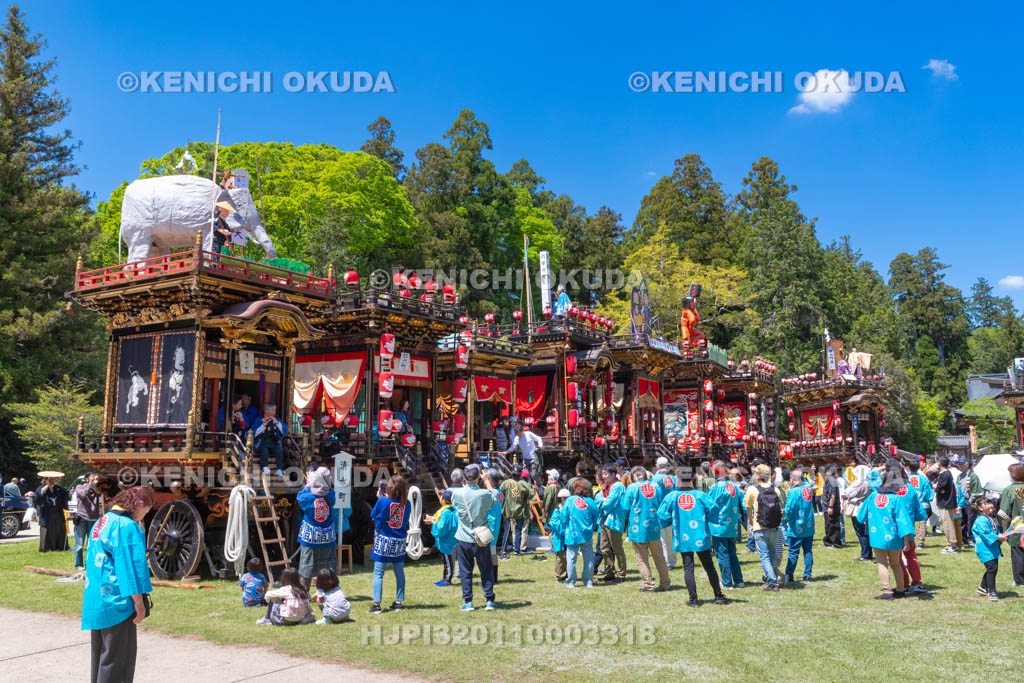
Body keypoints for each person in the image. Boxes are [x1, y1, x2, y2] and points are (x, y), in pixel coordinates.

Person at [81, 486, 154, 683]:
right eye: (144, 512)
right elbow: (130, 566)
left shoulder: (101, 521)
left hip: (96, 599)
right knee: (118, 662)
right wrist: (139, 601)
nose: (141, 517)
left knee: (101, 658)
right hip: (117, 601)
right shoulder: (126, 526)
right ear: (138, 504)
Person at [658, 474, 726, 607]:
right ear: (691, 481)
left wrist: (668, 522)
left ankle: (693, 600)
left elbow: (661, 514)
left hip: (683, 537)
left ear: (678, 480)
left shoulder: (672, 496)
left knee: (688, 568)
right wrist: (710, 520)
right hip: (701, 535)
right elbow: (714, 508)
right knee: (709, 567)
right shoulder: (700, 495)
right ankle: (718, 596)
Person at [857, 461, 916, 600]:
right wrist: (907, 540)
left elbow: (860, 517)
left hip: (877, 535)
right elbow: (904, 521)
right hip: (895, 536)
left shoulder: (872, 496)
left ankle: (887, 590)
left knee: (882, 563)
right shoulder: (896, 499)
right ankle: (901, 589)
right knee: (896, 563)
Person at [449, 464, 499, 611]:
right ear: (478, 478)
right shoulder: (483, 494)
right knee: (486, 569)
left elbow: (453, 504)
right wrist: (487, 481)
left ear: (464, 478)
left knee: (465, 571)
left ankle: (468, 601)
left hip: (463, 537)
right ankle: (489, 599)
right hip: (481, 537)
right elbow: (493, 497)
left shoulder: (457, 494)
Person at [620, 466, 671, 592]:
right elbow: (660, 503)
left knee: (642, 558)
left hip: (638, 528)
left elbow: (624, 506)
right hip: (654, 526)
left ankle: (649, 585)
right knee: (659, 557)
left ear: (636, 476)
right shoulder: (656, 487)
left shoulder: (632, 487)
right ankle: (665, 583)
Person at [369, 475, 411, 614]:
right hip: (399, 541)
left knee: (379, 573)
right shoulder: (408, 503)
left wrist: (380, 498)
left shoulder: (382, 501)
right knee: (399, 572)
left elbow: (373, 515)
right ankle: (398, 602)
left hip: (384, 540)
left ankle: (376, 605)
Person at [744, 464, 786, 591]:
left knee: (764, 556)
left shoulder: (752, 489)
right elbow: (781, 505)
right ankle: (770, 577)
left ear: (757, 475)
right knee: (772, 554)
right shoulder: (775, 489)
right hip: (774, 526)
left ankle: (772, 582)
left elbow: (748, 509)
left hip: (759, 527)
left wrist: (751, 524)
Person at [296, 467, 336, 590]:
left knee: (306, 565)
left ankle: (305, 592)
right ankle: (327, 590)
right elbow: (329, 489)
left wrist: (309, 483)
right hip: (327, 536)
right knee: (326, 566)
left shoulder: (307, 497)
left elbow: (300, 497)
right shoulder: (331, 495)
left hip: (310, 536)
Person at [893, 466, 928, 595]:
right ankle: (917, 583)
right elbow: (918, 508)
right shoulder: (909, 488)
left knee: (897, 557)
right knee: (911, 555)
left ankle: (904, 584)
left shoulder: (890, 489)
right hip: (908, 525)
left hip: (894, 526)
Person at [562, 479, 600, 588]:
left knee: (571, 558)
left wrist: (565, 528)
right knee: (589, 558)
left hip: (572, 533)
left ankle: (571, 582)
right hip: (586, 533)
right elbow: (596, 516)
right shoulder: (590, 501)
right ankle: (588, 581)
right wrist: (591, 527)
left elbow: (563, 517)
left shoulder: (569, 500)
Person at [596, 464, 628, 582]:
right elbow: (597, 498)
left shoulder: (618, 486)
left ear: (614, 474)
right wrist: (604, 500)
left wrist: (604, 500)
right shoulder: (606, 487)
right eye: (603, 474)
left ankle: (621, 574)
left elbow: (609, 503)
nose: (603, 476)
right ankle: (609, 572)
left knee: (617, 548)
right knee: (604, 548)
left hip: (614, 521)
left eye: (606, 474)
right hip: (604, 520)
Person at [973, 498, 1009, 601]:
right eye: (987, 504)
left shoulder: (989, 518)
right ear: (980, 508)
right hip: (985, 548)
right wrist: (998, 537)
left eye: (990, 503)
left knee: (992, 568)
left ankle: (982, 587)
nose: (991, 505)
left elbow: (995, 531)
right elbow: (985, 534)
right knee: (992, 568)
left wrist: (1001, 535)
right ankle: (992, 592)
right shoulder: (980, 520)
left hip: (992, 548)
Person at [784, 469, 815, 583]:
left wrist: (785, 517)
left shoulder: (793, 492)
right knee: (808, 551)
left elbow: (790, 508)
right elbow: (806, 481)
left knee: (793, 551)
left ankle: (789, 574)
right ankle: (807, 574)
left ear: (792, 479)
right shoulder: (808, 488)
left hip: (796, 526)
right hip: (809, 524)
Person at [998, 463, 1024, 587]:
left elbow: (1004, 513)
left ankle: (1020, 581)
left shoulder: (1009, 489)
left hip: (1018, 524)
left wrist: (1004, 529)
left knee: (1018, 552)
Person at [425, 489, 457, 587]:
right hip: (447, 539)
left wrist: (433, 522)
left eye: (441, 496)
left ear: (444, 500)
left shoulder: (447, 512)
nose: (440, 498)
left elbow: (442, 528)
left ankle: (448, 580)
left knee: (448, 560)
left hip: (447, 539)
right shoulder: (450, 509)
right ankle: (445, 578)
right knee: (445, 559)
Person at [651, 456, 678, 570]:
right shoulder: (674, 478)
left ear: (657, 466)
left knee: (661, 538)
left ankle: (665, 562)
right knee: (671, 536)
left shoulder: (655, 479)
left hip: (660, 510)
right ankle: (671, 561)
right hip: (672, 510)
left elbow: (653, 495)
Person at [72, 472, 103, 571]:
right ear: (86, 479)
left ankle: (89, 564)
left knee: (92, 544)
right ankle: (78, 564)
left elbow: (102, 494)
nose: (94, 478)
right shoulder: (79, 487)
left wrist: (97, 483)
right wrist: (90, 484)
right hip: (82, 519)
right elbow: (83, 495)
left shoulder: (96, 488)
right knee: (80, 545)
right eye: (92, 477)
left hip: (93, 520)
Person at [843, 464, 874, 561]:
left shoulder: (859, 483)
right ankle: (868, 553)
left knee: (861, 532)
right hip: (867, 508)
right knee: (867, 532)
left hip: (858, 509)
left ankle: (865, 555)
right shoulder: (870, 482)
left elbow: (846, 493)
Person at [934, 457, 962, 553]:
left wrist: (936, 487)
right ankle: (951, 544)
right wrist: (938, 488)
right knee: (947, 523)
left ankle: (953, 546)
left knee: (948, 524)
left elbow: (939, 487)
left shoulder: (945, 474)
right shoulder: (946, 474)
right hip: (946, 502)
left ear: (940, 463)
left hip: (946, 503)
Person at [500, 469, 532, 555]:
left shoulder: (507, 482)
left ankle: (503, 549)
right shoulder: (523, 484)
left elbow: (501, 491)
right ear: (520, 475)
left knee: (507, 530)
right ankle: (516, 550)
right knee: (518, 531)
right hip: (520, 510)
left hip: (508, 510)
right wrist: (525, 498)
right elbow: (531, 494)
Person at [35, 473, 69, 552]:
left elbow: (65, 494)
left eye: (54, 478)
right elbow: (40, 494)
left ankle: (61, 547)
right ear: (47, 479)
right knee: (47, 531)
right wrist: (47, 485)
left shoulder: (58, 488)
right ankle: (46, 548)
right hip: (47, 514)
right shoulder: (41, 488)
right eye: (52, 478)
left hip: (57, 513)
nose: (54, 480)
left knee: (60, 529)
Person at [254, 403, 288, 476]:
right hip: (262, 442)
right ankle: (265, 467)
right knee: (264, 451)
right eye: (273, 410)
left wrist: (277, 423)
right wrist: (263, 425)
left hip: (274, 442)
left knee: (279, 451)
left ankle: (279, 469)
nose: (274, 412)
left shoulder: (277, 420)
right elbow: (254, 433)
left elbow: (284, 431)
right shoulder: (259, 420)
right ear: (266, 410)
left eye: (274, 410)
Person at [906, 460, 934, 548]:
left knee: (910, 522)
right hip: (923, 503)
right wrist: (922, 497)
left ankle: (910, 541)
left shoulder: (906, 479)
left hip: (910, 504)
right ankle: (920, 543)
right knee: (923, 523)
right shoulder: (923, 478)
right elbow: (926, 489)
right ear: (918, 467)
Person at [549, 489, 570, 582]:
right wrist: (565, 531)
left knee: (569, 557)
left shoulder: (569, 509)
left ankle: (568, 574)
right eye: (566, 498)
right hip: (559, 538)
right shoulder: (556, 511)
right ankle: (560, 575)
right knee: (560, 558)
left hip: (568, 537)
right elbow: (554, 523)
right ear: (561, 499)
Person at [822, 465, 843, 548]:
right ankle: (828, 542)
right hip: (826, 506)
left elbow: (833, 495)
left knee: (834, 526)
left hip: (832, 507)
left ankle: (837, 543)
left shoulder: (832, 481)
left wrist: (830, 506)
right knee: (828, 525)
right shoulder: (828, 480)